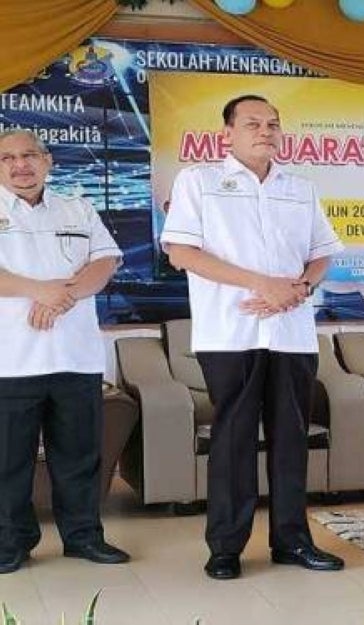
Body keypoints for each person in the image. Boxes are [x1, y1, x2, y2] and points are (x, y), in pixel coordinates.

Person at [161, 95, 345, 580]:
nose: (264, 130)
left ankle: (292, 541)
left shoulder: (299, 187)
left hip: (291, 332)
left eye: (272, 124)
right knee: (234, 440)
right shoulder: (198, 181)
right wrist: (261, 284)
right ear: (227, 133)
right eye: (252, 123)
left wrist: (300, 287)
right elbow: (181, 252)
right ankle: (225, 547)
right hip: (230, 331)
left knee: (291, 440)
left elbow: (323, 253)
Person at [0, 129, 130, 574]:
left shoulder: (77, 206)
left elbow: (105, 261)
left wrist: (62, 297)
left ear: (47, 160)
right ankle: (9, 544)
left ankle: (83, 537)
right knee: (7, 463)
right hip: (10, 361)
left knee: (79, 457)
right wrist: (40, 290)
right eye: (8, 158)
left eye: (29, 155)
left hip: (76, 357)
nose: (20, 165)